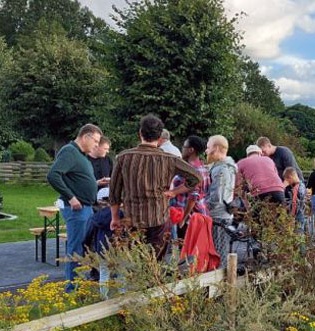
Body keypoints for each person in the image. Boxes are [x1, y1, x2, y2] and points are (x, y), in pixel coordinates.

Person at [109, 115, 202, 261]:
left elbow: (114, 190)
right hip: (159, 217)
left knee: (136, 262)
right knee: (155, 262)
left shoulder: (123, 157)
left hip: (132, 219)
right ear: (160, 137)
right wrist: (174, 192)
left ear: (140, 133)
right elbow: (196, 177)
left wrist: (114, 217)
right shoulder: (169, 159)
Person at [48, 124, 102, 288]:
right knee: (76, 249)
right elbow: (53, 175)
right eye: (96, 141)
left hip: (86, 208)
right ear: (86, 136)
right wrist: (71, 198)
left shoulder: (80, 155)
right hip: (77, 210)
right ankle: (72, 289)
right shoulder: (70, 151)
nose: (96, 146)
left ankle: (76, 284)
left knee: (82, 248)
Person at [170, 136, 211, 235]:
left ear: (190, 150)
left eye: (184, 147)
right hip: (201, 213)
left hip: (189, 218)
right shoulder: (202, 167)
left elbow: (193, 197)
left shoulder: (191, 170)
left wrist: (183, 219)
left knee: (186, 249)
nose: (182, 149)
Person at [205, 135, 236, 260]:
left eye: (208, 147)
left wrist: (204, 206)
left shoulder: (220, 169)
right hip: (224, 214)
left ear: (216, 148)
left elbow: (217, 196)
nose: (206, 151)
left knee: (217, 253)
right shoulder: (229, 166)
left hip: (218, 216)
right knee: (221, 251)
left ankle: (219, 279)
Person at [283, 167, 306, 232]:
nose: (288, 183)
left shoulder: (296, 188)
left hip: (297, 214)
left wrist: (292, 216)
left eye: (287, 180)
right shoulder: (302, 185)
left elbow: (294, 202)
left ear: (290, 177)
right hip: (301, 212)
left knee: (298, 232)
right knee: (300, 231)